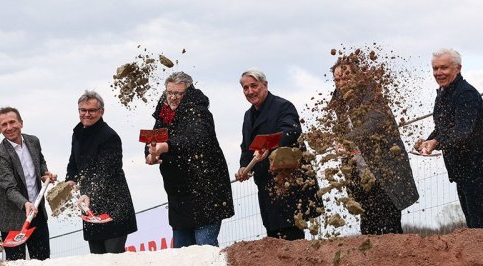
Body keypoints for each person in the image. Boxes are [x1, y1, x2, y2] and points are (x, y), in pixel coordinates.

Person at [415, 48, 483, 229]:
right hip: (464, 170)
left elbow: (462, 130)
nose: (438, 73)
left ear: (458, 68)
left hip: (480, 167)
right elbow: (443, 128)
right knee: (474, 227)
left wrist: (437, 142)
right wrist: (428, 141)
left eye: (444, 68)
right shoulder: (443, 94)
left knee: (480, 228)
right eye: (435, 68)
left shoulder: (466, 94)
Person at [329, 58, 419, 235]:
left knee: (388, 228)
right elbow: (341, 130)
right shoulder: (339, 103)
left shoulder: (371, 95)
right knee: (368, 228)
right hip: (360, 173)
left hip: (384, 170)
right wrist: (339, 143)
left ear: (358, 77)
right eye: (337, 80)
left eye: (346, 77)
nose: (341, 83)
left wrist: (347, 140)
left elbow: (375, 122)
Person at [145, 71, 234, 248]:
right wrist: (150, 155)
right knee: (182, 256)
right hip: (178, 196)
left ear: (187, 92)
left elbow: (196, 138)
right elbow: (153, 140)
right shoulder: (164, 114)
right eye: (169, 93)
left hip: (205, 193)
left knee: (205, 252)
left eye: (178, 93)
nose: (172, 97)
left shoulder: (199, 112)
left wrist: (166, 146)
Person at [236, 69, 322, 240]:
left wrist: (268, 147)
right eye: (246, 88)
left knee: (291, 235)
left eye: (254, 86)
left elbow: (290, 131)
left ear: (265, 85)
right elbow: (246, 147)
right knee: (273, 236)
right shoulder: (248, 116)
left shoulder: (283, 106)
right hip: (265, 185)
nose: (250, 91)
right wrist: (243, 166)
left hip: (288, 183)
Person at [66, 91, 137, 254]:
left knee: (113, 261)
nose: (86, 114)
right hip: (91, 208)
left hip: (114, 208)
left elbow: (107, 171)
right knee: (97, 261)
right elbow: (73, 163)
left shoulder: (109, 136)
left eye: (92, 110)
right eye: (82, 110)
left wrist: (88, 192)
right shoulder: (77, 134)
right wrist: (70, 179)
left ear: (101, 112)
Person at [0, 107, 57, 260]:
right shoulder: (0, 155)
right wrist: (25, 203)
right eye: (4, 125)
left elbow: (40, 161)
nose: (9, 128)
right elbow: (9, 188)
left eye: (12, 122)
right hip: (12, 219)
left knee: (42, 261)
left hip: (37, 214)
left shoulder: (33, 141)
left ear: (21, 123)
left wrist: (45, 173)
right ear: (0, 128)